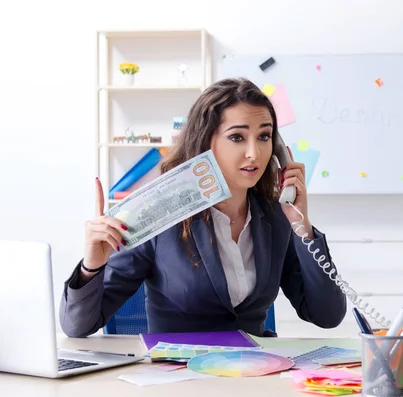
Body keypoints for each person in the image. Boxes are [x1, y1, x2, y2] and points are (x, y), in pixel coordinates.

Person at [59, 77, 347, 338]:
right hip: (180, 377)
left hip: (254, 377)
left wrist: (302, 227)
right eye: (237, 137)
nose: (254, 153)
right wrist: (91, 267)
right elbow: (77, 326)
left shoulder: (275, 217)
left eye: (264, 136)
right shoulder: (159, 214)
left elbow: (327, 315)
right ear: (206, 141)